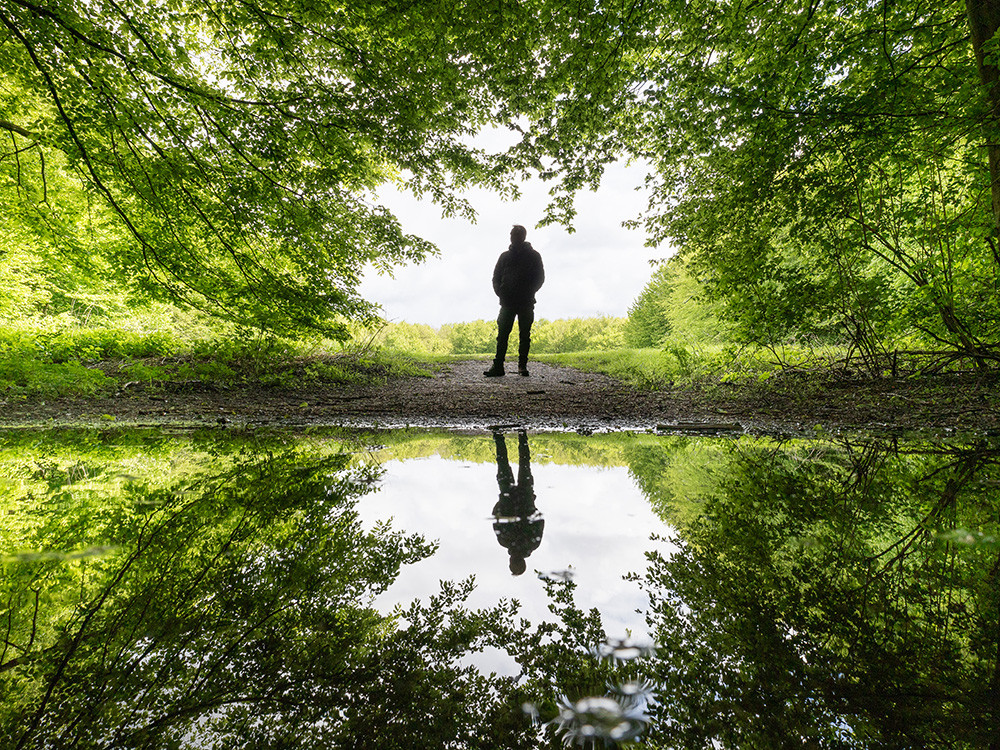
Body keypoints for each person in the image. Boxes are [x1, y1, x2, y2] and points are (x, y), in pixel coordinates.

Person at [484, 224, 545, 377]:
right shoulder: (504, 256)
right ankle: (498, 366)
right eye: (512, 234)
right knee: (502, 335)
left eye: (515, 234)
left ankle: (522, 366)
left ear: (523, 236)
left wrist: (530, 291)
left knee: (524, 335)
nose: (512, 237)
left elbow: (540, 278)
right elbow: (495, 277)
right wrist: (500, 293)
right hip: (507, 302)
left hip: (526, 302)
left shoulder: (534, 256)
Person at [491, 429, 544, 576]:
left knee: (523, 464)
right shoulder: (505, 541)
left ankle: (519, 435)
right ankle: (500, 436)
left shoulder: (532, 543)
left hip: (522, 498)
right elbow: (496, 517)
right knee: (505, 465)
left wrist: (532, 505)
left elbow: (540, 520)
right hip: (513, 498)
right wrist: (500, 502)